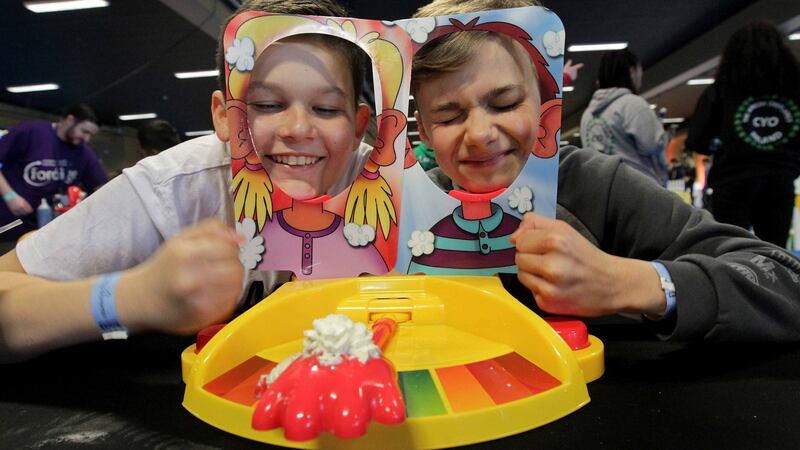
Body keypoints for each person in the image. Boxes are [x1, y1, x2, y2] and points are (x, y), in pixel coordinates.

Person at [0, 0, 373, 362]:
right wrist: (135, 295)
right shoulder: (170, 188)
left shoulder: (385, 184)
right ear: (223, 116)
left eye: (326, 109)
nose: (298, 129)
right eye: (267, 105)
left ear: (358, 127)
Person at [412, 0, 800, 340]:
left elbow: (786, 280)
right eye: (448, 116)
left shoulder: (596, 185)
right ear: (424, 130)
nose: (480, 134)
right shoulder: (403, 211)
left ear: (547, 105)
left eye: (506, 103)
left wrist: (628, 282)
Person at [685, 21, 800, 248]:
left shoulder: (721, 90)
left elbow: (697, 140)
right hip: (779, 182)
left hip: (732, 183)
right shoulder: (795, 89)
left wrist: (723, 143)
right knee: (775, 253)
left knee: (730, 252)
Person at [0, 104, 108, 242]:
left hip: (48, 228)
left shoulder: (83, 152)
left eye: (91, 135)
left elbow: (100, 187)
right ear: (70, 120)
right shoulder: (30, 132)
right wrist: (10, 196)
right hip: (11, 222)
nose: (86, 139)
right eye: (84, 131)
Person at [580, 49, 668, 186]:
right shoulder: (633, 104)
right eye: (640, 70)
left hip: (602, 188)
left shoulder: (587, 114)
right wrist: (662, 135)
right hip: (638, 188)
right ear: (632, 71)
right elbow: (652, 145)